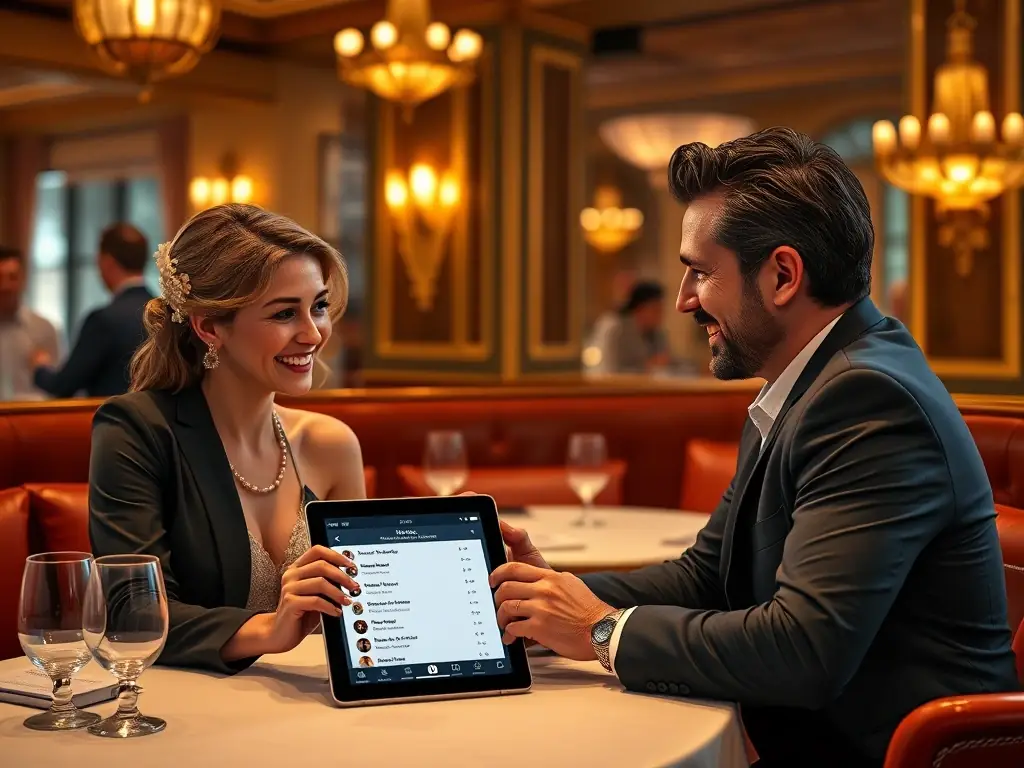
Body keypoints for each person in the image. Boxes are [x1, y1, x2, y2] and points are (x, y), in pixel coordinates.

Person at [489, 127, 1019, 767]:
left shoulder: (868, 399)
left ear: (783, 276)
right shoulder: (803, 384)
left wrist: (598, 630)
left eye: (700, 271)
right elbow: (706, 576)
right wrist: (544, 595)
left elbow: (803, 651)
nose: (683, 299)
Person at [88, 203, 367, 675]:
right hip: (186, 705)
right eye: (284, 313)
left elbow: (364, 606)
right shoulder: (136, 430)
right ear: (209, 326)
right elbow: (132, 613)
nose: (313, 334)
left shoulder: (331, 443)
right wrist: (270, 629)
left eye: (319, 306)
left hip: (317, 698)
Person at [33, 223, 153, 398]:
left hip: (115, 414)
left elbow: (64, 385)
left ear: (107, 262)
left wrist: (40, 368)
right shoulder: (168, 313)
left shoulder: (104, 320)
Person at [0, 247, 61, 400]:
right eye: (0, 278)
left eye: (12, 277)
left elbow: (59, 388)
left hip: (34, 412)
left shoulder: (44, 329)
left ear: (23, 280)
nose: (5, 286)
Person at [588, 280, 672, 374]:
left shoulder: (657, 333)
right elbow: (610, 369)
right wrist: (648, 366)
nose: (660, 315)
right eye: (656, 310)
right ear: (640, 309)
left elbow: (669, 361)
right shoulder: (615, 329)